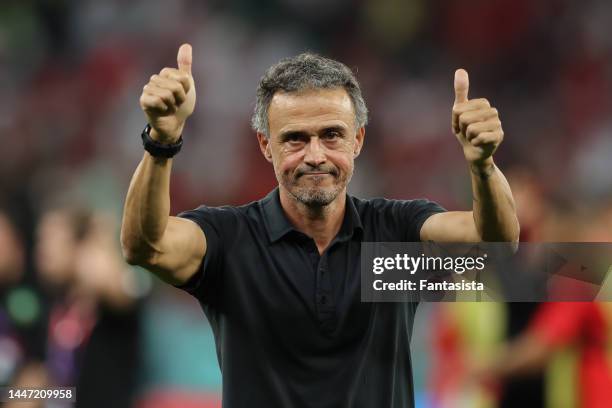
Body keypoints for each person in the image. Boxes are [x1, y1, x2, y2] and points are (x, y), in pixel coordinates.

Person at [120, 43, 519, 408]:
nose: (315, 155)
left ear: (358, 139)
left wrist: (483, 166)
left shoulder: (393, 238)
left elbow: (496, 243)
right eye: (295, 138)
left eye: (332, 135)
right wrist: (161, 141)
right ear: (265, 145)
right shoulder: (231, 241)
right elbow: (144, 246)